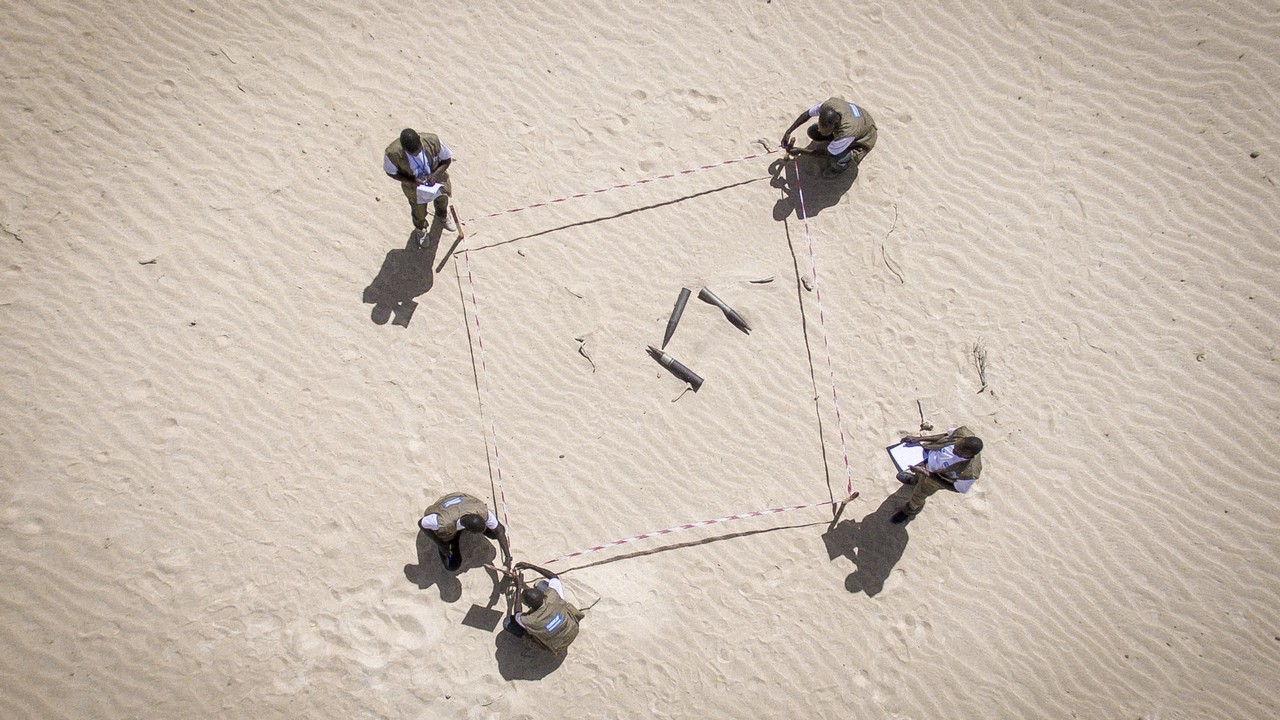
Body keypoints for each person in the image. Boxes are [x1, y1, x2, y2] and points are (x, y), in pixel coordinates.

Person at [891, 426, 984, 524]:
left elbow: (957, 488)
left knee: (918, 495)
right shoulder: (962, 434)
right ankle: (914, 480)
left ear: (970, 454)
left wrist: (928, 474)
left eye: (959, 452)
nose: (954, 450)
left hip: (934, 481)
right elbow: (945, 436)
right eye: (957, 445)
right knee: (918, 475)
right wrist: (919, 439)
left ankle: (909, 510)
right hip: (925, 461)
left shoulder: (970, 472)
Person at [384, 127, 456, 245]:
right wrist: (412, 180)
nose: (416, 153)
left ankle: (442, 215)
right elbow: (391, 172)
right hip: (415, 189)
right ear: (404, 148)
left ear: (419, 138)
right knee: (418, 212)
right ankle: (421, 229)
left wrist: (435, 175)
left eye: (418, 150)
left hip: (437, 181)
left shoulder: (433, 141)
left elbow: (447, 160)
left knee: (442, 200)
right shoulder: (392, 153)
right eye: (412, 153)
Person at [780, 96, 877, 178]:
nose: (820, 131)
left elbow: (827, 154)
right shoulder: (827, 106)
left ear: (835, 125)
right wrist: (789, 131)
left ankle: (840, 168)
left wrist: (800, 151)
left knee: (837, 159)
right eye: (820, 127)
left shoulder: (847, 133)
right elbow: (807, 114)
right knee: (812, 131)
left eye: (825, 130)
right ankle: (835, 143)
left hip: (866, 136)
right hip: (856, 119)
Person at [418, 492, 511, 571]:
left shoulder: (481, 510)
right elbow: (421, 524)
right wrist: (441, 544)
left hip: (462, 505)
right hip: (447, 517)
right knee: (452, 565)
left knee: (495, 533)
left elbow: (499, 530)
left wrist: (508, 557)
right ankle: (445, 545)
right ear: (468, 530)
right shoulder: (440, 521)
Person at [505, 561, 584, 654]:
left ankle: (529, 639)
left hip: (557, 645)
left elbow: (517, 614)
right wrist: (531, 566)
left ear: (528, 606)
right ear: (543, 595)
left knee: (507, 622)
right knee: (541, 584)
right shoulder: (554, 596)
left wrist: (518, 588)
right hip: (573, 628)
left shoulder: (529, 620)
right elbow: (554, 577)